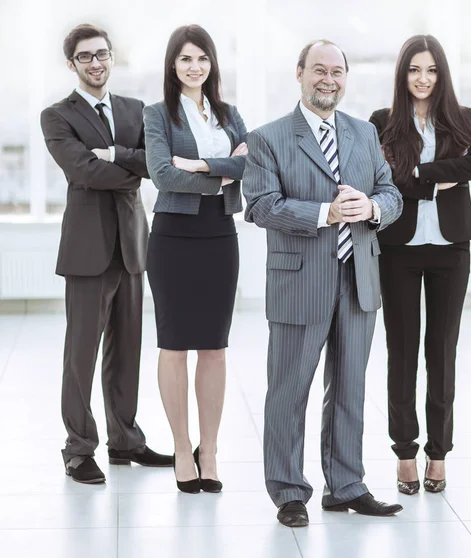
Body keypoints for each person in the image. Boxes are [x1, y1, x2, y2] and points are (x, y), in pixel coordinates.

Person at [243, 39, 404, 528]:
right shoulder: (268, 138)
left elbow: (390, 192)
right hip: (299, 284)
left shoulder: (364, 133)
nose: (328, 79)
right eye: (319, 69)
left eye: (337, 71)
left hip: (358, 280)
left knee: (351, 388)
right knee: (289, 390)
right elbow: (260, 206)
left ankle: (346, 486)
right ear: (299, 73)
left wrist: (372, 208)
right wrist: (324, 213)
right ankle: (289, 491)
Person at [40, 24, 172, 484]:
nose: (95, 63)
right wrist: (130, 165)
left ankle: (125, 440)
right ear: (72, 64)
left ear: (112, 57)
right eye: (85, 57)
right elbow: (84, 170)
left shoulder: (134, 109)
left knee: (127, 350)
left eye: (102, 55)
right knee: (81, 353)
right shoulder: (56, 116)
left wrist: (120, 157)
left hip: (132, 246)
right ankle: (78, 448)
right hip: (87, 249)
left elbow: (157, 164)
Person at [369, 35, 471, 495]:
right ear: (403, 74)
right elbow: (387, 177)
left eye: (431, 70)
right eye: (415, 70)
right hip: (399, 247)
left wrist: (422, 174)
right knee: (402, 352)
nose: (423, 79)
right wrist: (437, 180)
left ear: (442, 74)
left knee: (442, 351)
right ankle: (404, 451)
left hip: (451, 249)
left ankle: (438, 452)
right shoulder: (382, 122)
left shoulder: (462, 119)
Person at [143, 24, 248, 494]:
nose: (195, 66)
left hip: (219, 235)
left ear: (212, 63)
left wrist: (202, 165)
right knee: (174, 344)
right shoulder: (157, 115)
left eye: (202, 57)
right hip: (173, 237)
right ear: (172, 65)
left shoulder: (229, 114)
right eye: (185, 58)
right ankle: (181, 448)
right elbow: (163, 175)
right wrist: (220, 178)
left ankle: (210, 448)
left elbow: (252, 164)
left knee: (214, 345)